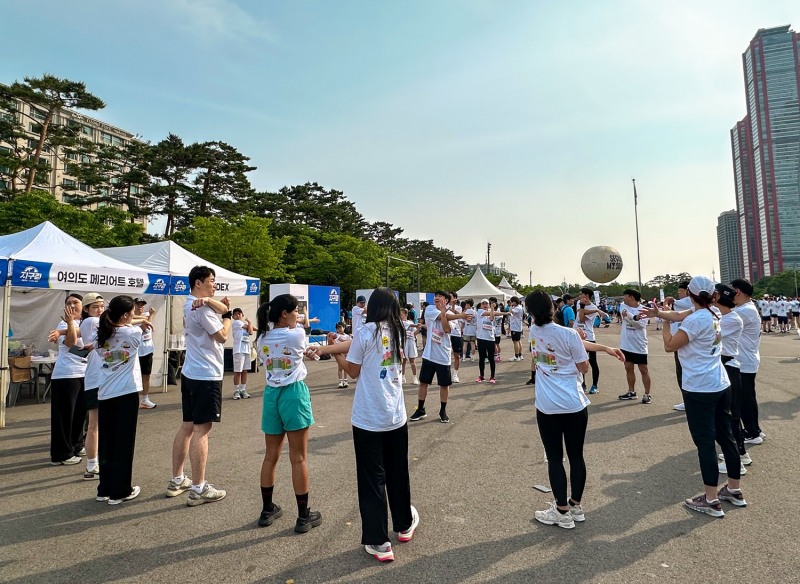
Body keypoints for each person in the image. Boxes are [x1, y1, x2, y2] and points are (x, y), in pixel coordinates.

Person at [316, 287, 419, 562]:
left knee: (372, 479)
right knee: (398, 472)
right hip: (396, 415)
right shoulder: (400, 330)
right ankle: (404, 524)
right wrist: (330, 346)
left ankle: (378, 541)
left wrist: (333, 354)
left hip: (368, 418)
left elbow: (352, 370)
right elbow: (355, 344)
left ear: (371, 307)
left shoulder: (366, 331)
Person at [525, 290, 624, 529]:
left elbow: (569, 343)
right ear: (553, 308)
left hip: (548, 406)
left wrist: (604, 348)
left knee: (555, 458)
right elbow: (584, 368)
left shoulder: (533, 331)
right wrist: (588, 348)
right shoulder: (568, 333)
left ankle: (562, 510)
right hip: (574, 404)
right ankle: (575, 505)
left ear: (530, 312)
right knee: (576, 456)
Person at [652, 276, 744, 517]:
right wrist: (661, 313)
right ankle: (734, 488)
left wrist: (663, 325)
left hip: (699, 388)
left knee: (705, 443)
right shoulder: (714, 312)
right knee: (726, 437)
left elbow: (670, 345)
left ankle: (711, 499)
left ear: (690, 295)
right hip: (720, 383)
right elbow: (681, 316)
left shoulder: (695, 320)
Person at [255, 294, 322, 533]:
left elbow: (278, 355)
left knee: (270, 455)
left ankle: (266, 510)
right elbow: (299, 342)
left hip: (271, 394)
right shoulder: (297, 334)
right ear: (284, 314)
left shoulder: (261, 337)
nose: (297, 315)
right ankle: (303, 516)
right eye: (295, 311)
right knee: (298, 457)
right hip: (293, 393)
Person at [168, 266, 231, 506]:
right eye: (211, 281)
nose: (215, 285)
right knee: (202, 430)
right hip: (206, 374)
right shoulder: (200, 308)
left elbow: (225, 307)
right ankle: (199, 487)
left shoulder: (195, 303)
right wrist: (226, 319)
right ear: (198, 283)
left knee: (187, 427)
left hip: (192, 372)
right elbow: (222, 336)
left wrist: (215, 304)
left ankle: (177, 479)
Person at [95, 295, 151, 505]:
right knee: (124, 443)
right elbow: (135, 325)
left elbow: (122, 323)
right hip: (126, 392)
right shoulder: (133, 332)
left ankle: (105, 488)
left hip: (105, 392)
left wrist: (135, 318)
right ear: (127, 314)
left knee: (107, 442)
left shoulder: (101, 333)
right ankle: (120, 491)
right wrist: (141, 320)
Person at [410, 291, 469, 423]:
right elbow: (440, 318)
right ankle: (420, 409)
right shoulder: (430, 309)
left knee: (444, 384)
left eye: (440, 296)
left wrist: (447, 314)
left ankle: (443, 410)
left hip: (443, 355)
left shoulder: (452, 315)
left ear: (446, 300)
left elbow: (447, 329)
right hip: (429, 354)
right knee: (423, 382)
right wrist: (461, 315)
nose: (436, 298)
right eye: (436, 296)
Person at [49, 294, 87, 466]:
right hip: (66, 375)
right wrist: (70, 322)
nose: (72, 305)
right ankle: (61, 454)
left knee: (80, 413)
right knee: (64, 417)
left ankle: (77, 445)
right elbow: (71, 344)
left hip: (83, 374)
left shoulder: (85, 323)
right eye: (68, 303)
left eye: (75, 302)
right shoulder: (64, 323)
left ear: (83, 306)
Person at [731, 279, 765, 445]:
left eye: (731, 292)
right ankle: (754, 429)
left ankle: (752, 432)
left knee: (745, 400)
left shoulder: (744, 311)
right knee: (748, 398)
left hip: (744, 361)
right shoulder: (746, 308)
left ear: (738, 291)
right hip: (747, 360)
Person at [78, 293, 104, 479]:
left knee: (101, 425)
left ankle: (96, 462)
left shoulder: (95, 324)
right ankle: (91, 465)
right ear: (86, 309)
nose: (100, 310)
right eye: (95, 306)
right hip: (96, 379)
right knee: (94, 425)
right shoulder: (90, 322)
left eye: (102, 306)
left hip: (102, 378)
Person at [617, 289, 651, 404]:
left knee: (643, 369)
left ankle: (647, 394)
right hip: (626, 344)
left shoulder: (644, 310)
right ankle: (631, 392)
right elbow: (632, 320)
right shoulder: (622, 306)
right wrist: (632, 317)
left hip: (640, 345)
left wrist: (629, 317)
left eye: (625, 296)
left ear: (631, 297)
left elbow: (640, 325)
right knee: (628, 368)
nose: (623, 299)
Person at [575, 287, 606, 394]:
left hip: (589, 338)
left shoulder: (592, 306)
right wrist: (596, 310)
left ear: (586, 296)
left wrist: (595, 309)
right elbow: (580, 315)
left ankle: (595, 385)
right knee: (580, 360)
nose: (579, 296)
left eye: (581, 294)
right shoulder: (579, 303)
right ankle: (582, 384)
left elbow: (583, 318)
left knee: (593, 362)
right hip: (578, 336)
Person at [133, 298, 158, 409]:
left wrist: (148, 316)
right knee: (135, 377)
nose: (140, 306)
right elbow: (145, 327)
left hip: (147, 350)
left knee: (146, 376)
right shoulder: (131, 318)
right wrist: (151, 316)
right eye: (138, 304)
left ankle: (145, 399)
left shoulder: (146, 315)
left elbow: (147, 326)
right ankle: (134, 400)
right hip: (136, 352)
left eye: (142, 305)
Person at [475, 298, 502, 383]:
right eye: (483, 304)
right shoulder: (479, 312)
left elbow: (491, 318)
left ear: (489, 305)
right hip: (481, 338)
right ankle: (481, 376)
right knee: (481, 358)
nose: (485, 305)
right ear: (480, 305)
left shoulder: (491, 312)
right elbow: (490, 314)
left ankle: (492, 376)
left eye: (486, 304)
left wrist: (492, 309)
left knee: (491, 358)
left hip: (490, 338)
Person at [231, 308, 254, 399]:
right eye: (235, 314)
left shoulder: (244, 325)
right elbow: (251, 331)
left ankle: (243, 389)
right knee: (238, 372)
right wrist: (250, 322)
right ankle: (236, 390)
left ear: (242, 315)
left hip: (246, 349)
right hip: (238, 350)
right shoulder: (236, 323)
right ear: (233, 316)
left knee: (245, 371)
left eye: (239, 314)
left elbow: (251, 329)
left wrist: (251, 325)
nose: (238, 315)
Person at [399, 309, 419, 385]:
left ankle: (415, 377)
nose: (400, 316)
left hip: (411, 342)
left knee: (412, 361)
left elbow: (414, 333)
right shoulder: (400, 322)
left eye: (401, 314)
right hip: (403, 343)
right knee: (403, 361)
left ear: (406, 314)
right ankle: (403, 377)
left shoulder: (410, 322)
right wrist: (418, 325)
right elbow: (409, 325)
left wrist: (419, 328)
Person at [330, 322, 352, 387]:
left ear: (344, 328)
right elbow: (333, 343)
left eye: (340, 327)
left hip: (346, 354)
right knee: (340, 368)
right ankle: (340, 381)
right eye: (337, 328)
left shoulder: (347, 336)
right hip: (339, 354)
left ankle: (345, 381)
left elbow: (350, 343)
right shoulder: (336, 335)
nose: (339, 329)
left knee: (346, 367)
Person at [448, 292, 463, 383]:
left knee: (456, 355)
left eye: (451, 297)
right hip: (447, 334)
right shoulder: (444, 307)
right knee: (447, 355)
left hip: (456, 333)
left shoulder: (459, 307)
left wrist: (453, 306)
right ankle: (447, 373)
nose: (449, 299)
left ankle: (455, 374)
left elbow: (455, 315)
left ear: (455, 298)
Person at [508, 296, 525, 361]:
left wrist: (511, 306)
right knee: (518, 341)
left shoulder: (517, 308)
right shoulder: (520, 307)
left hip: (515, 327)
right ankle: (520, 355)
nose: (511, 303)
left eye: (512, 302)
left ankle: (516, 356)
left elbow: (510, 312)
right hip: (518, 326)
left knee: (515, 341)